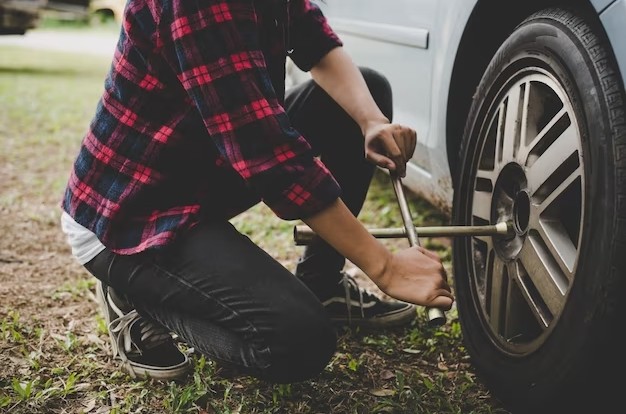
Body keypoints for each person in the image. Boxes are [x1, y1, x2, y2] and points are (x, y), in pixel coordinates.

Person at [60, 0, 454, 384]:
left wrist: (370, 121)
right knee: (298, 343)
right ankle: (135, 292)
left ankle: (323, 286)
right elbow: (270, 158)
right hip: (130, 214)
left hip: (201, 169)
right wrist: (385, 267)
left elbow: (312, 36)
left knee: (364, 93)